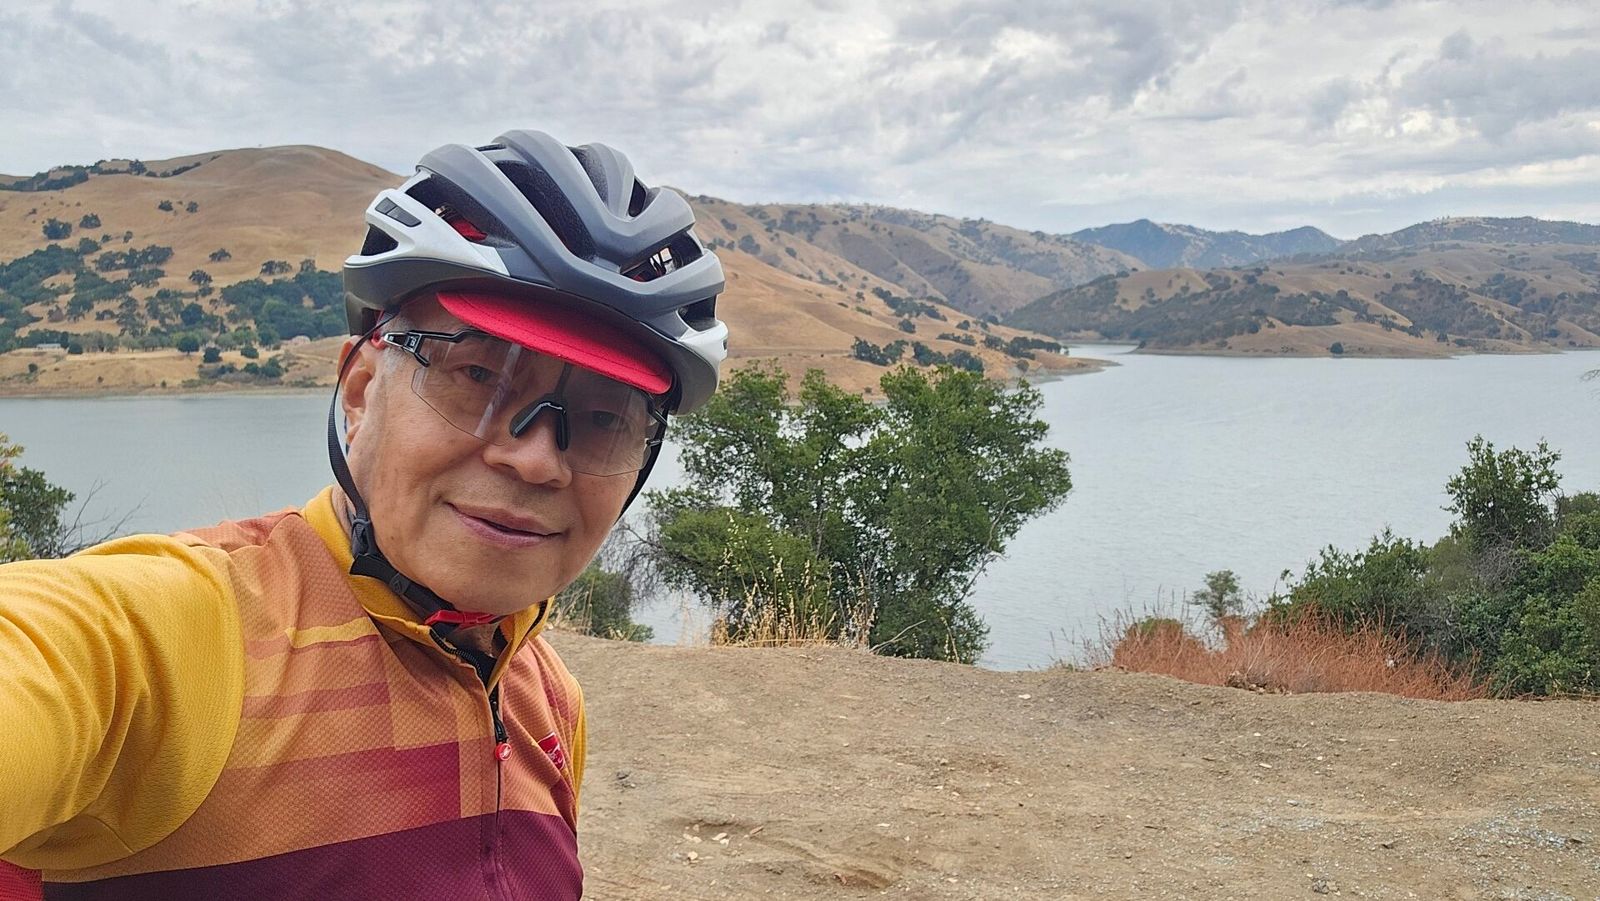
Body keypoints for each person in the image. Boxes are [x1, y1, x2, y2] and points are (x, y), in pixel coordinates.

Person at [0, 129, 728, 899]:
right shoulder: (176, 640)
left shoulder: (548, 698)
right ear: (359, 392)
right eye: (479, 375)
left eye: (607, 416)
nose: (539, 459)